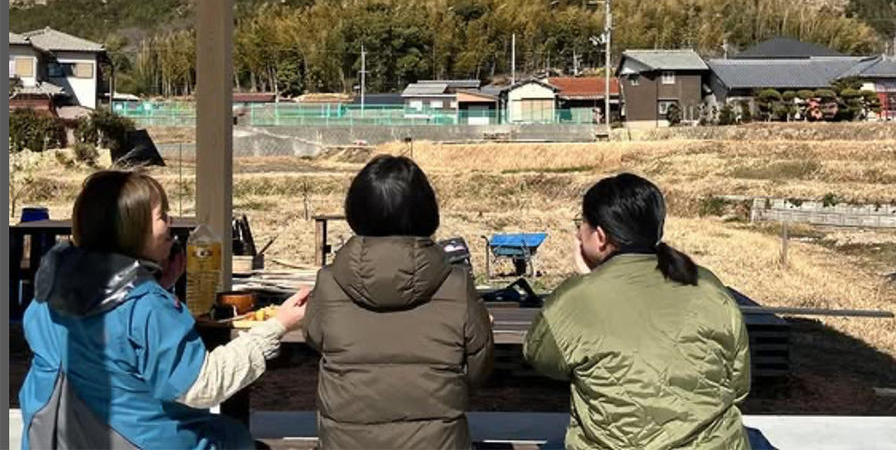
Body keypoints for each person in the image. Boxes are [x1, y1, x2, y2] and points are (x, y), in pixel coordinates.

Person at [19, 169, 310, 450]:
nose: (170, 222)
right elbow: (203, 385)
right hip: (137, 441)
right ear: (131, 231)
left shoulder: (48, 294)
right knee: (233, 437)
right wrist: (276, 326)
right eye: (161, 216)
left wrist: (157, 285)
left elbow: (106, 338)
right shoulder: (146, 306)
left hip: (55, 438)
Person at [524, 173, 752, 450]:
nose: (577, 233)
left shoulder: (575, 299)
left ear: (600, 236)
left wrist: (588, 282)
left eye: (581, 223)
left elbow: (541, 357)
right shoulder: (706, 283)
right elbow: (738, 385)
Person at [303, 155, 493, 450]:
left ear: (355, 211)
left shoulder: (329, 282)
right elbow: (479, 367)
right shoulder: (456, 284)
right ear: (428, 212)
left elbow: (314, 337)